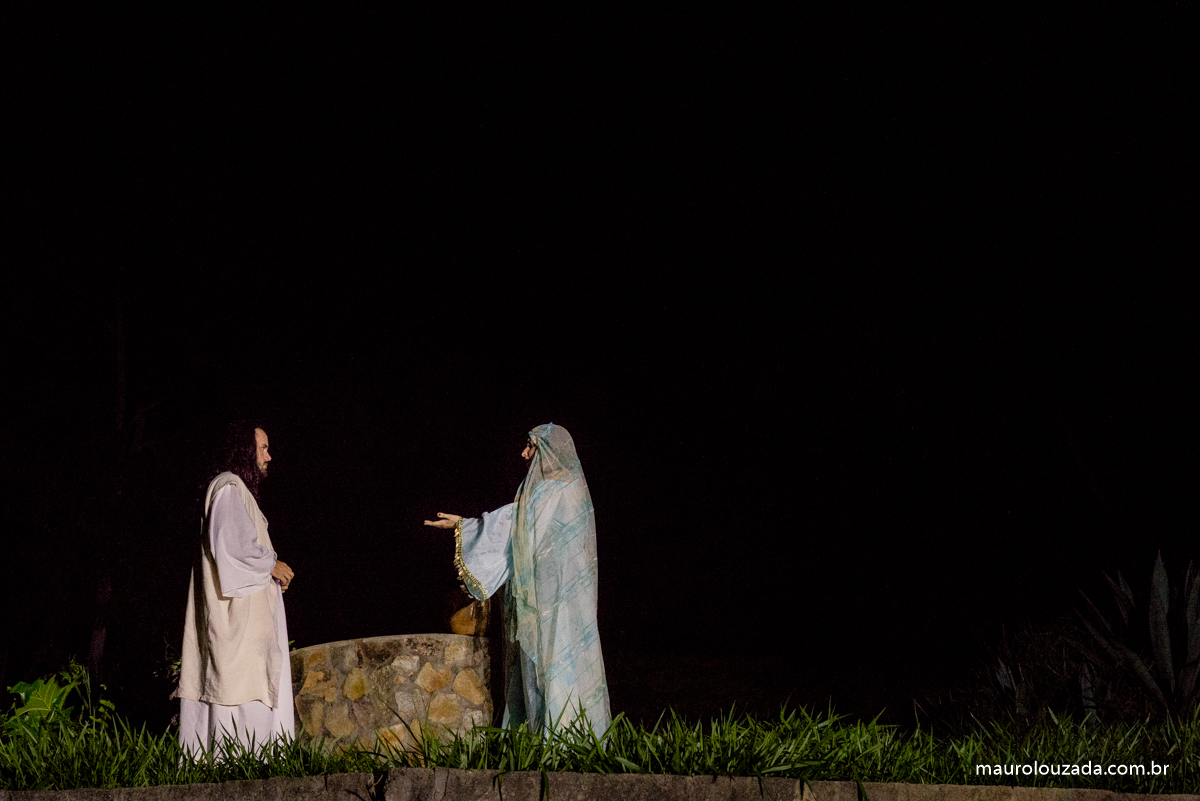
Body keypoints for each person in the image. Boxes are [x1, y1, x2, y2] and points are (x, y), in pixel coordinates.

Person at [424, 423, 612, 737]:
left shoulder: (561, 489)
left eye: (531, 446)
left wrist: (465, 525)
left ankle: (565, 742)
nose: (524, 454)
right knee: (541, 671)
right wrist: (467, 523)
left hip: (561, 600)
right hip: (544, 598)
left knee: (561, 666)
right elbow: (519, 523)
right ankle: (546, 740)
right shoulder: (550, 489)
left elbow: (517, 524)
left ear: (550, 450)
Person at [177, 423, 296, 756]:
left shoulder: (234, 491)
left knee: (250, 696)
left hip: (248, 626)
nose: (269, 456)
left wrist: (268, 578)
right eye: (262, 448)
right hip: (238, 632)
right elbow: (232, 549)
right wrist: (269, 566)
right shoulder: (229, 489)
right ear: (244, 450)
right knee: (240, 697)